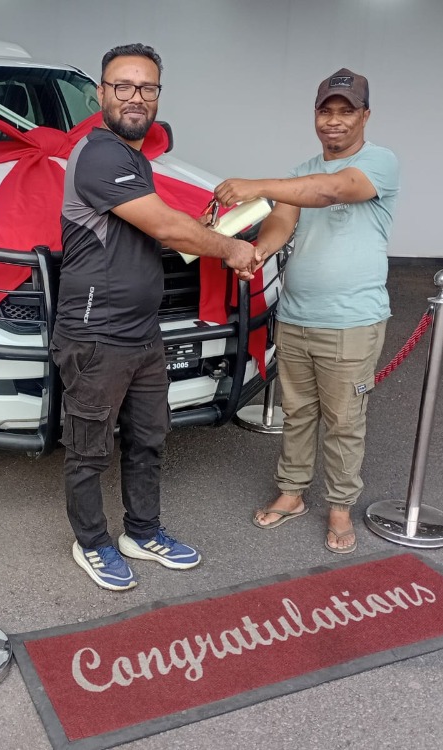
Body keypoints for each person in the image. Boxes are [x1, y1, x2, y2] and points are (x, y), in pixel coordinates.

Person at [54, 43, 259, 591]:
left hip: (142, 333)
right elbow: (166, 227)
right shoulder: (100, 155)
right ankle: (92, 541)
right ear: (101, 93)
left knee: (148, 438)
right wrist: (231, 248)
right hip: (96, 335)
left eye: (146, 87)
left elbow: (154, 227)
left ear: (158, 95)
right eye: (122, 86)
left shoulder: (132, 158)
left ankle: (142, 533)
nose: (135, 97)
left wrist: (206, 230)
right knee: (89, 449)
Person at [214, 68, 400, 554]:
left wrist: (255, 185)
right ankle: (292, 492)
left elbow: (331, 190)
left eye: (346, 111)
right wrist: (257, 253)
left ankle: (339, 506)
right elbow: (282, 220)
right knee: (297, 413)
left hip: (351, 321)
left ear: (365, 116)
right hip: (297, 316)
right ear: (315, 115)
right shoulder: (300, 173)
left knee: (344, 421)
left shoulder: (379, 163)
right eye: (325, 110)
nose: (334, 120)